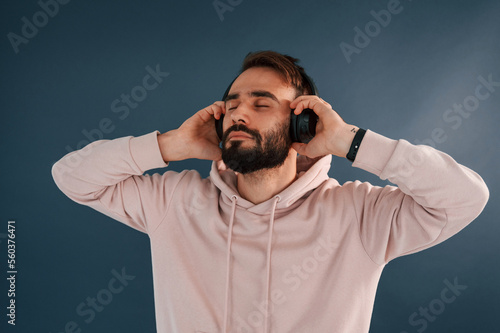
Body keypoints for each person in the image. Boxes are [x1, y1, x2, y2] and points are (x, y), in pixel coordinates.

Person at [51, 50, 489, 333]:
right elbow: (71, 176)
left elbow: (465, 198)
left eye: (261, 104)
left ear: (302, 125)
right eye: (233, 105)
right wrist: (170, 145)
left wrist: (351, 142)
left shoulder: (359, 214)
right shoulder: (173, 201)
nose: (239, 114)